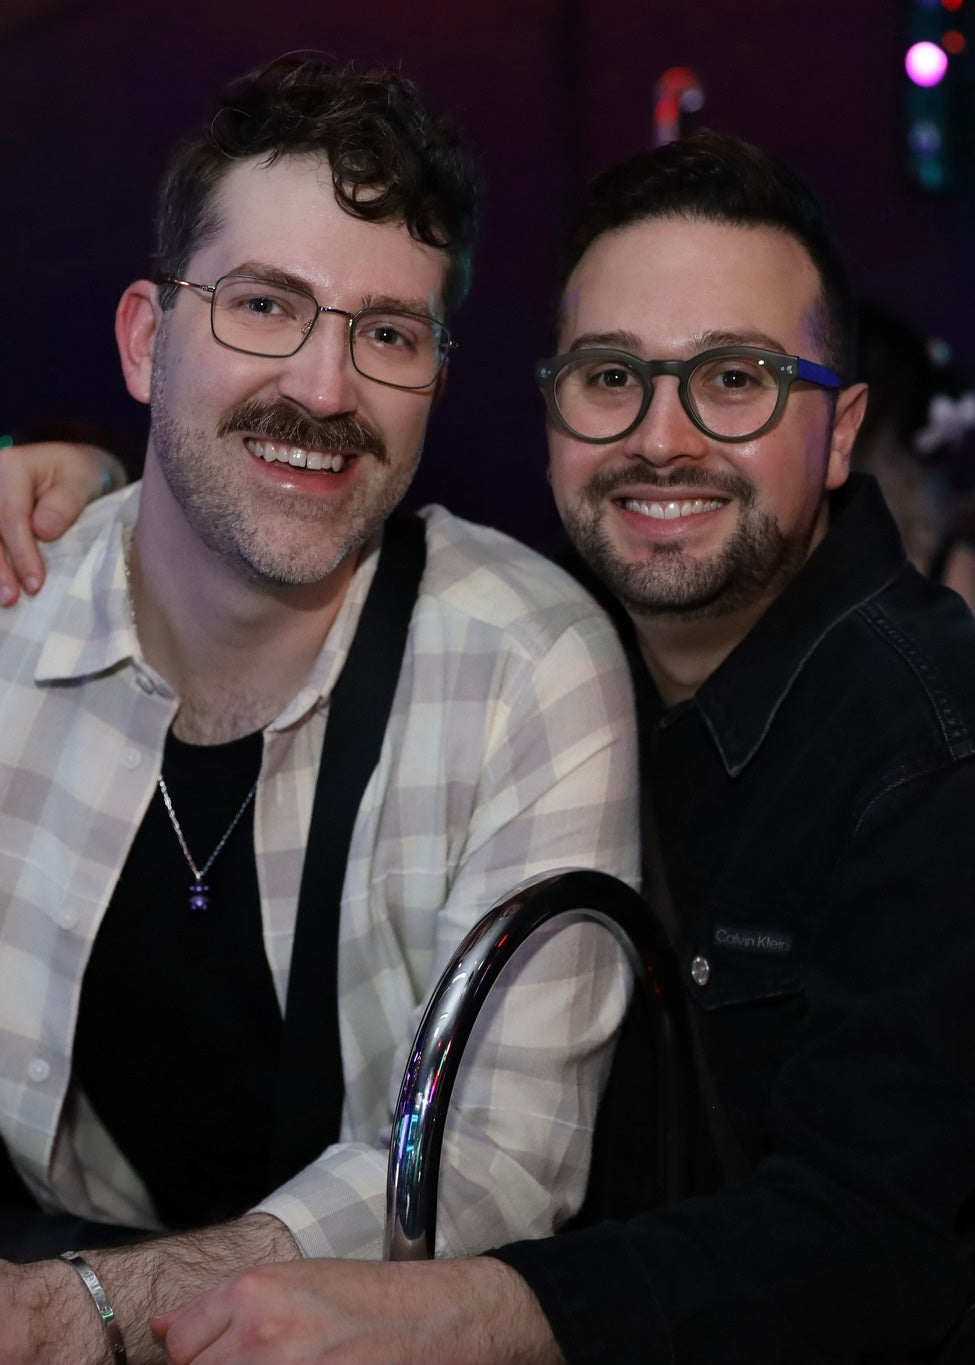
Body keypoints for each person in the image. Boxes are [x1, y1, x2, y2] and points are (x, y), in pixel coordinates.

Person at [8, 132, 975, 1363]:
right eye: (610, 376)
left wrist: (470, 1308)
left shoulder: (933, 750)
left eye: (734, 379)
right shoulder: (560, 639)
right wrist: (97, 495)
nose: (662, 438)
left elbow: (868, 1244)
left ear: (839, 434)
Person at [0, 56, 640, 1364]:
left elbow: (499, 1159)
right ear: (144, 338)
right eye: (264, 306)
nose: (325, 389)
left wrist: (96, 1310)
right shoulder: (14, 611)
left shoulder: (528, 662)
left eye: (386, 333)